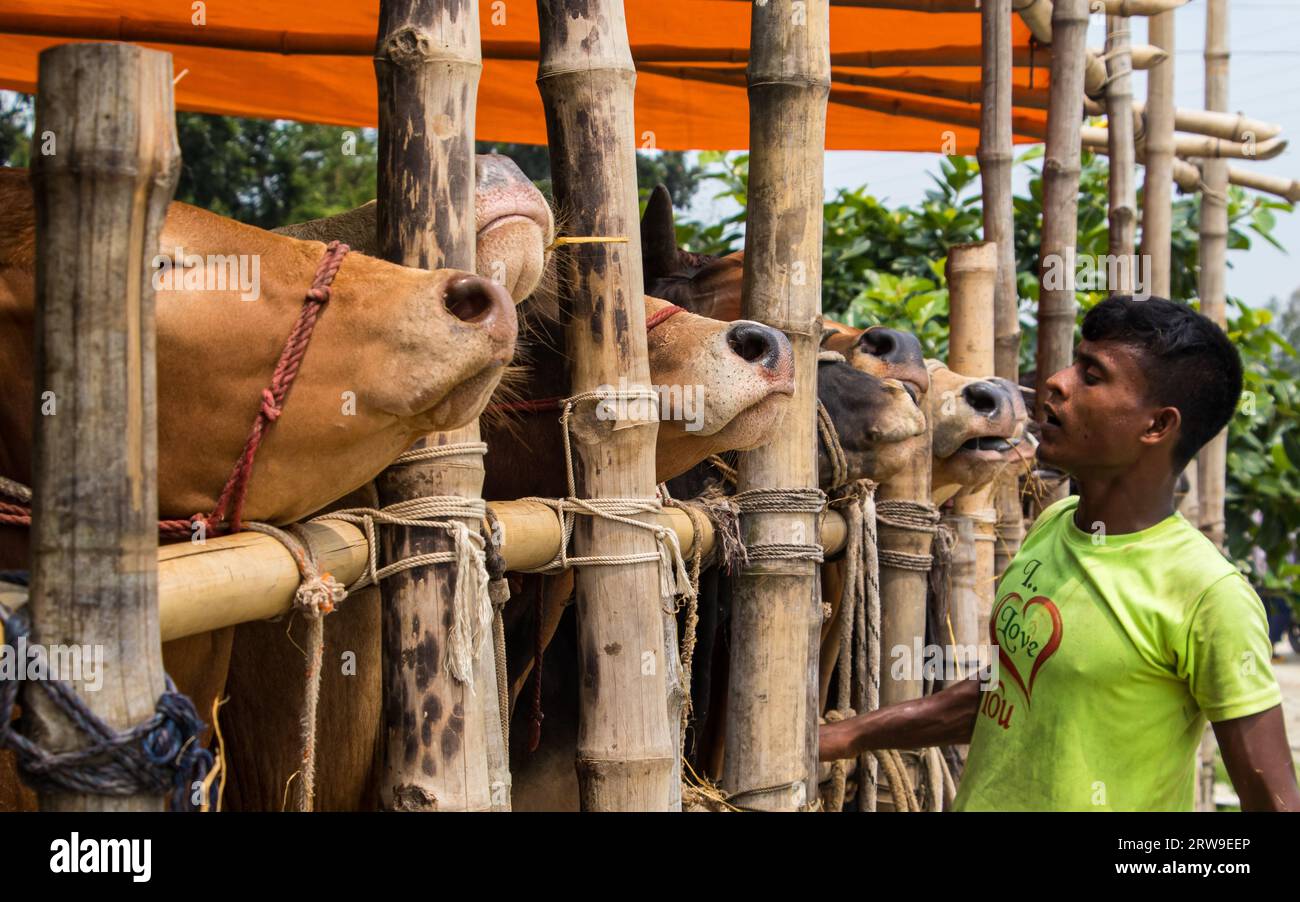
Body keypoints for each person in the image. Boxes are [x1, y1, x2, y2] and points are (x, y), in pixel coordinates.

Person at [820, 296, 1300, 811]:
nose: (1057, 382)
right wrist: (842, 737)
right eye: (1075, 361)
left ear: (1157, 427)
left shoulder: (1208, 595)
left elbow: (1274, 800)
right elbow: (1015, 690)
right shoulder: (1054, 524)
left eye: (1091, 376)